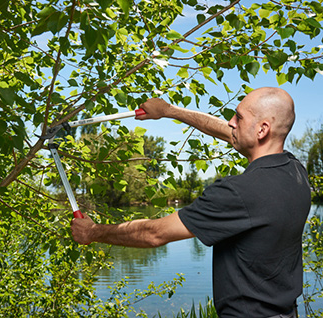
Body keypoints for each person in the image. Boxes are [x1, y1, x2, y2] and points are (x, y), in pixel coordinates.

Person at [71, 87, 311, 318]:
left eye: (238, 117)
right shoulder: (295, 172)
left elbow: (155, 233)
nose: (230, 122)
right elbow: (228, 132)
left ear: (262, 130)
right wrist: (168, 110)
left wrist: (93, 232)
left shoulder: (238, 192)